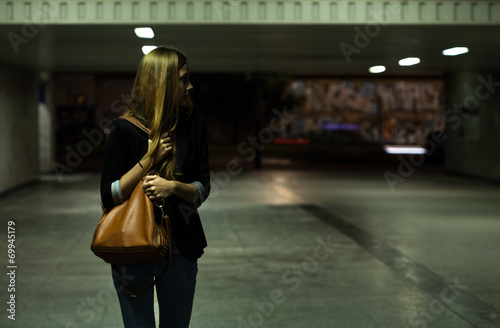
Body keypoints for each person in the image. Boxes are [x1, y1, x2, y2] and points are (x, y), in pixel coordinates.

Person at [100, 46, 210, 328]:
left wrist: (172, 187)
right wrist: (149, 158)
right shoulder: (124, 129)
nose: (190, 86)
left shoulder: (194, 124)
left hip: (182, 246)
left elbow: (203, 187)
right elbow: (110, 194)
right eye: (184, 79)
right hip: (132, 244)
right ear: (164, 83)